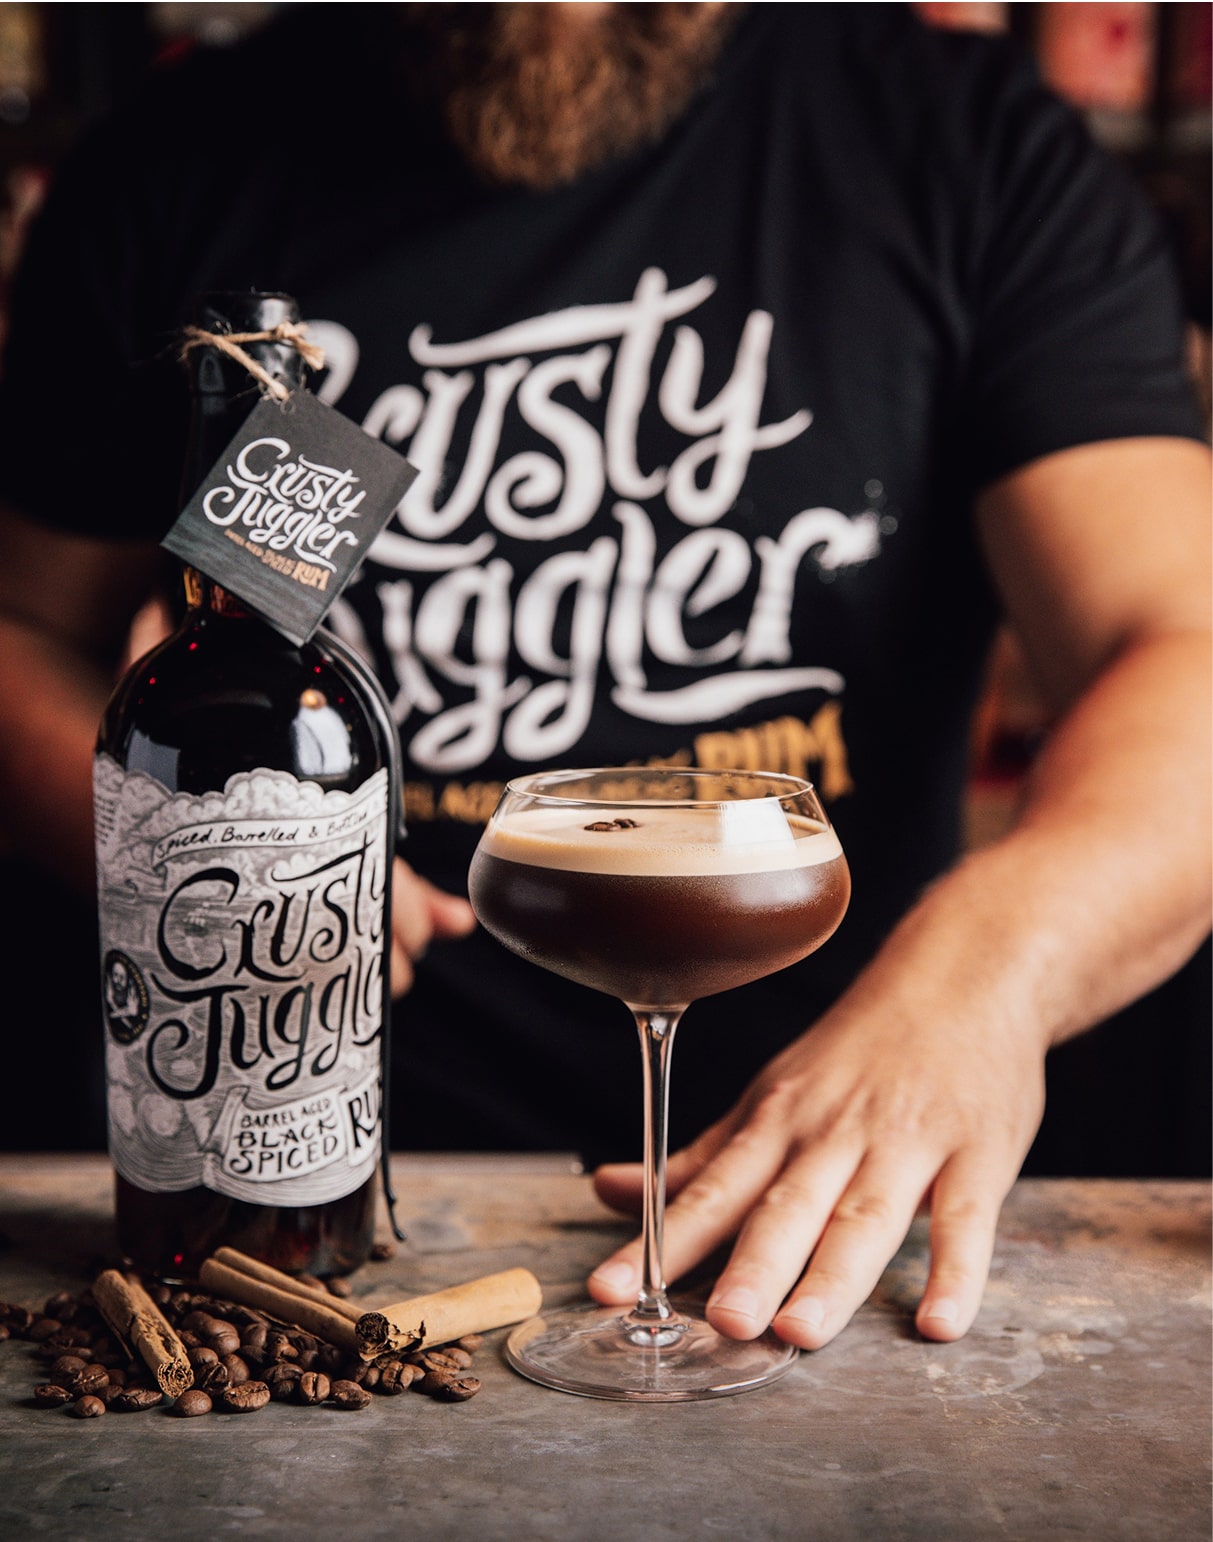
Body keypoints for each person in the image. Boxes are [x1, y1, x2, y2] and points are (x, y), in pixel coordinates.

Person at [0, 3, 1208, 1355]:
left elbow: (1179, 639)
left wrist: (988, 973)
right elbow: (20, 630)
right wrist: (211, 849)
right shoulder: (172, 156)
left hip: (815, 1192)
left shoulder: (964, 142)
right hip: (295, 1215)